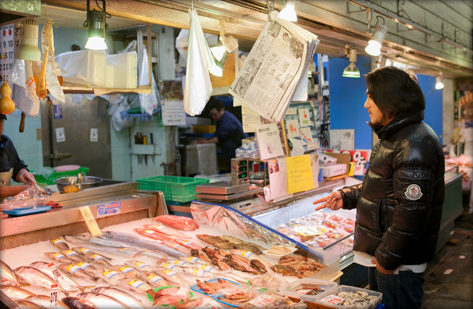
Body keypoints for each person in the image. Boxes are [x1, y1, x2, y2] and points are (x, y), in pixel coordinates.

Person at [313, 66, 444, 309]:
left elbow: (412, 213)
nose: (365, 104)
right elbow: (386, 189)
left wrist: (386, 260)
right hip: (388, 261)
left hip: (397, 267)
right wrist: (348, 196)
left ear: (389, 100)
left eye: (370, 97)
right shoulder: (396, 137)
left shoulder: (412, 144)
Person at [197, 98, 248, 169]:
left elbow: (221, 136)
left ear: (222, 110)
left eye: (215, 114)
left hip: (240, 154)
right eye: (212, 115)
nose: (213, 117)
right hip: (233, 154)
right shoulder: (221, 119)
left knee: (239, 173)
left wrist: (207, 142)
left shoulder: (227, 119)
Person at [0, 114, 36, 198]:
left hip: (4, 208)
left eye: (0, 124)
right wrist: (22, 189)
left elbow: (16, 167)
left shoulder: (6, 143)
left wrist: (23, 174)